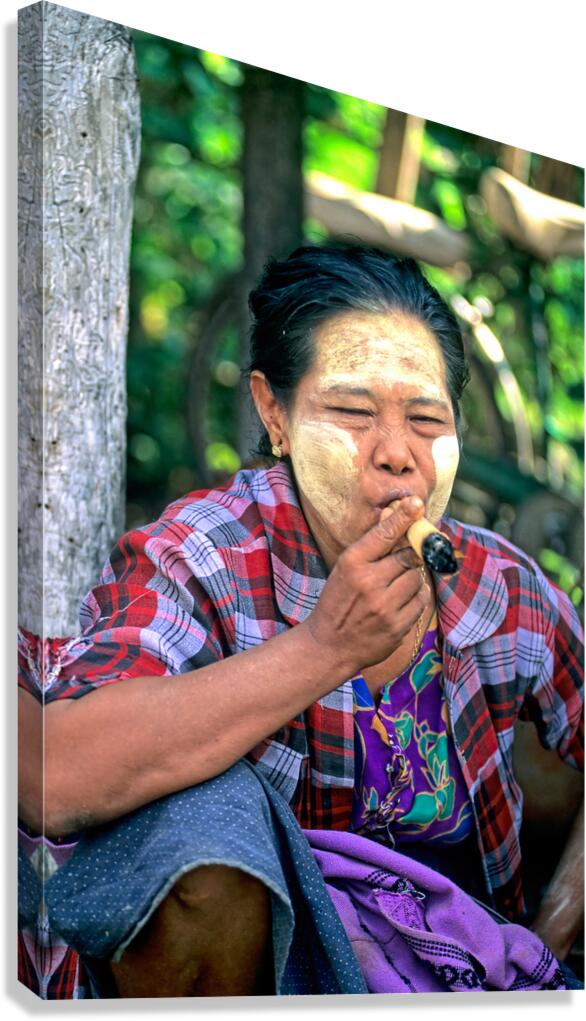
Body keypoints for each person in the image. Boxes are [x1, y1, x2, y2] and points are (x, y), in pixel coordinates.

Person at [18, 243, 583, 997]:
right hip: (260, 975)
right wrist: (326, 648)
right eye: (352, 413)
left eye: (426, 419)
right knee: (203, 829)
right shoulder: (205, 556)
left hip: (458, 977)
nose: (396, 455)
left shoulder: (499, 585)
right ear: (274, 413)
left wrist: (553, 932)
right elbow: (56, 774)